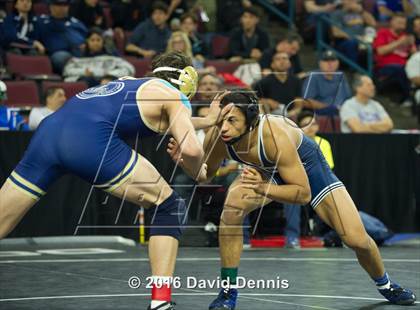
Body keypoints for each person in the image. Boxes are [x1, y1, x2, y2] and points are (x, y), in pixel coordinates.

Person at [0, 52, 225, 310]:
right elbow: (193, 151)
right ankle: (160, 303)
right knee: (169, 206)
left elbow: (166, 122)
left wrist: (207, 121)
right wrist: (201, 173)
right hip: (89, 141)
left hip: (49, 133)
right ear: (187, 79)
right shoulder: (176, 97)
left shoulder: (127, 80)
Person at [167, 91, 417, 309]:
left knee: (356, 239)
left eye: (232, 121)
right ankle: (228, 292)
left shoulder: (274, 137)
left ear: (251, 123)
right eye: (222, 120)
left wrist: (263, 187)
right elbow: (204, 175)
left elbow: (302, 194)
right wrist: (186, 161)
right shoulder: (220, 136)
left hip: (309, 170)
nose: (224, 128)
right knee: (232, 209)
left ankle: (385, 284)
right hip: (267, 172)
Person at [282, 110, 335, 248]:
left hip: (317, 183)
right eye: (306, 124)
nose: (311, 127)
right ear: (299, 128)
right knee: (293, 197)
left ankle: (328, 235)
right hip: (297, 183)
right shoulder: (293, 143)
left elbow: (327, 169)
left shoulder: (324, 143)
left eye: (313, 124)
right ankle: (292, 237)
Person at [63, 28, 134, 86]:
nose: (95, 43)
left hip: (108, 84)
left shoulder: (112, 58)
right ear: (87, 41)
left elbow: (129, 68)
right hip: (86, 86)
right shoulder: (78, 59)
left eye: (98, 40)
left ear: (103, 42)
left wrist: (110, 76)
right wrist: (83, 72)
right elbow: (67, 71)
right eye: (92, 40)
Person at [373, 13, 416, 107]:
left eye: (403, 23)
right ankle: (409, 97)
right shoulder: (383, 33)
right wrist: (399, 42)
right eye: (399, 22)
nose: (401, 25)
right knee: (400, 69)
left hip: (405, 67)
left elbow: (416, 57)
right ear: (392, 22)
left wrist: (412, 45)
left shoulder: (407, 36)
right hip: (385, 68)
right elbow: (380, 51)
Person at [37, 0, 88, 73]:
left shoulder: (76, 22)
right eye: (59, 5)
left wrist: (87, 44)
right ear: (51, 6)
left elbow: (88, 37)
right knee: (60, 57)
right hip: (60, 53)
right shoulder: (42, 22)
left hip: (82, 52)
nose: (62, 7)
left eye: (65, 5)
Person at [302, 50, 352, 116]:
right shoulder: (314, 76)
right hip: (322, 114)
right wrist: (329, 107)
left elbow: (348, 97)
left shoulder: (341, 76)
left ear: (338, 63)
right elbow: (306, 102)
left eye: (333, 61)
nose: (330, 64)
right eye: (326, 61)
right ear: (320, 63)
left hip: (343, 113)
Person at [253, 52, 303, 117]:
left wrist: (288, 115)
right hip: (270, 116)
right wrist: (267, 101)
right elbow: (255, 102)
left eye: (285, 58)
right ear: (272, 64)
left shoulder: (296, 81)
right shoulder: (263, 82)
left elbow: (298, 106)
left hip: (291, 116)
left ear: (290, 63)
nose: (282, 61)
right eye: (278, 59)